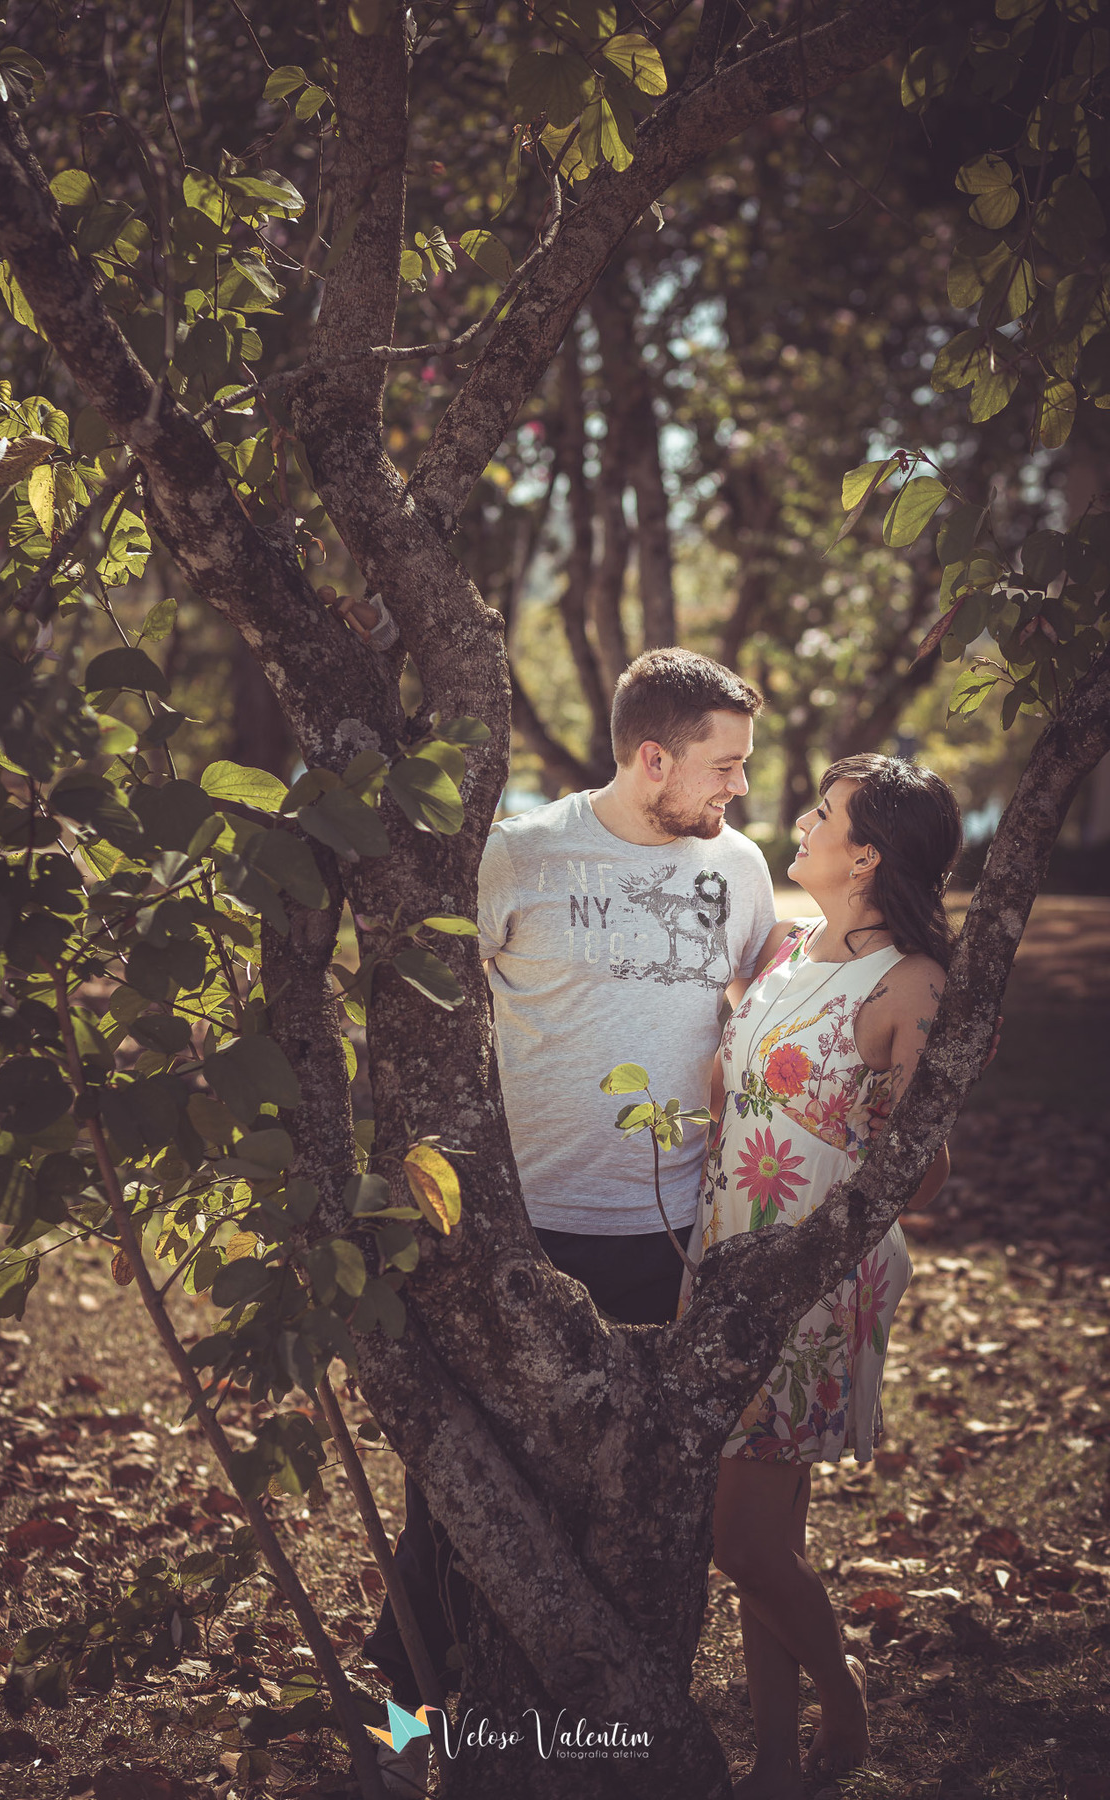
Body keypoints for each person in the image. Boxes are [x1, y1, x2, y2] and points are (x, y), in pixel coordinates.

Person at [365, 648, 778, 1786]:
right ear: (653, 759)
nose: (741, 786)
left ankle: (585, 1745)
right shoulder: (520, 855)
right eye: (725, 765)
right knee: (458, 1505)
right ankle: (402, 1731)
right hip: (519, 1237)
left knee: (631, 1514)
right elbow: (417, 998)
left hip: (668, 1238)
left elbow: (781, 992)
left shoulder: (738, 866)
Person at [682, 753, 962, 1800]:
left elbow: (926, 1170)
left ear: (867, 854)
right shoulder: (793, 949)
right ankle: (774, 1761)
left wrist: (870, 1146)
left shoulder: (912, 985)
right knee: (766, 1536)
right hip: (726, 1254)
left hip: (810, 1277)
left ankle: (842, 1703)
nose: (800, 823)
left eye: (822, 812)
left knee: (743, 1543)